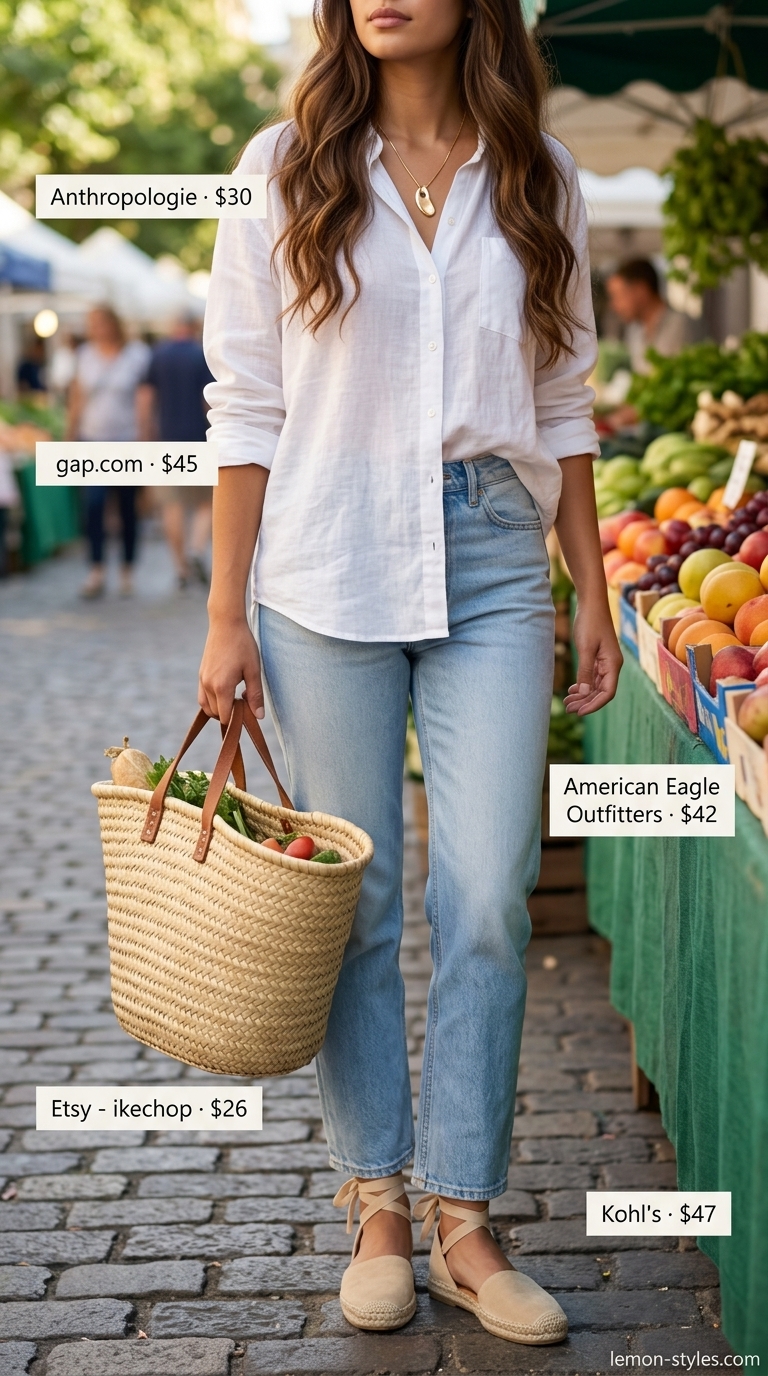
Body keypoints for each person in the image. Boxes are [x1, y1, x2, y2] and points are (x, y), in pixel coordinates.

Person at [200, 0, 621, 1347]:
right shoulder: (282, 168)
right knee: (361, 898)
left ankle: (466, 1218)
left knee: (489, 891)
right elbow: (246, 402)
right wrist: (223, 615)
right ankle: (378, 1202)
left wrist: (592, 589)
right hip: (325, 557)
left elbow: (564, 399)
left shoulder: (542, 174)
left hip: (494, 554)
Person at [66, 306, 150, 599]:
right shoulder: (84, 355)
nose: (96, 328)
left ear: (114, 323)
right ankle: (96, 568)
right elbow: (76, 397)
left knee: (127, 507)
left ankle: (127, 568)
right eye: (92, 323)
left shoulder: (137, 355)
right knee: (93, 504)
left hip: (127, 441)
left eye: (100, 322)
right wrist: (69, 435)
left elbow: (144, 399)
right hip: (92, 440)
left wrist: (145, 438)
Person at [137, 316, 214, 589]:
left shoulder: (158, 355)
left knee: (172, 505)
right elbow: (208, 400)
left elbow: (145, 398)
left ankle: (181, 568)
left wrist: (145, 433)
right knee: (207, 503)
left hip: (166, 439)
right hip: (200, 437)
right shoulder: (201, 355)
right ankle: (196, 548)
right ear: (194, 329)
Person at [605, 258, 693, 376]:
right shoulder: (634, 330)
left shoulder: (681, 325)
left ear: (641, 290)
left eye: (618, 296)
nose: (613, 306)